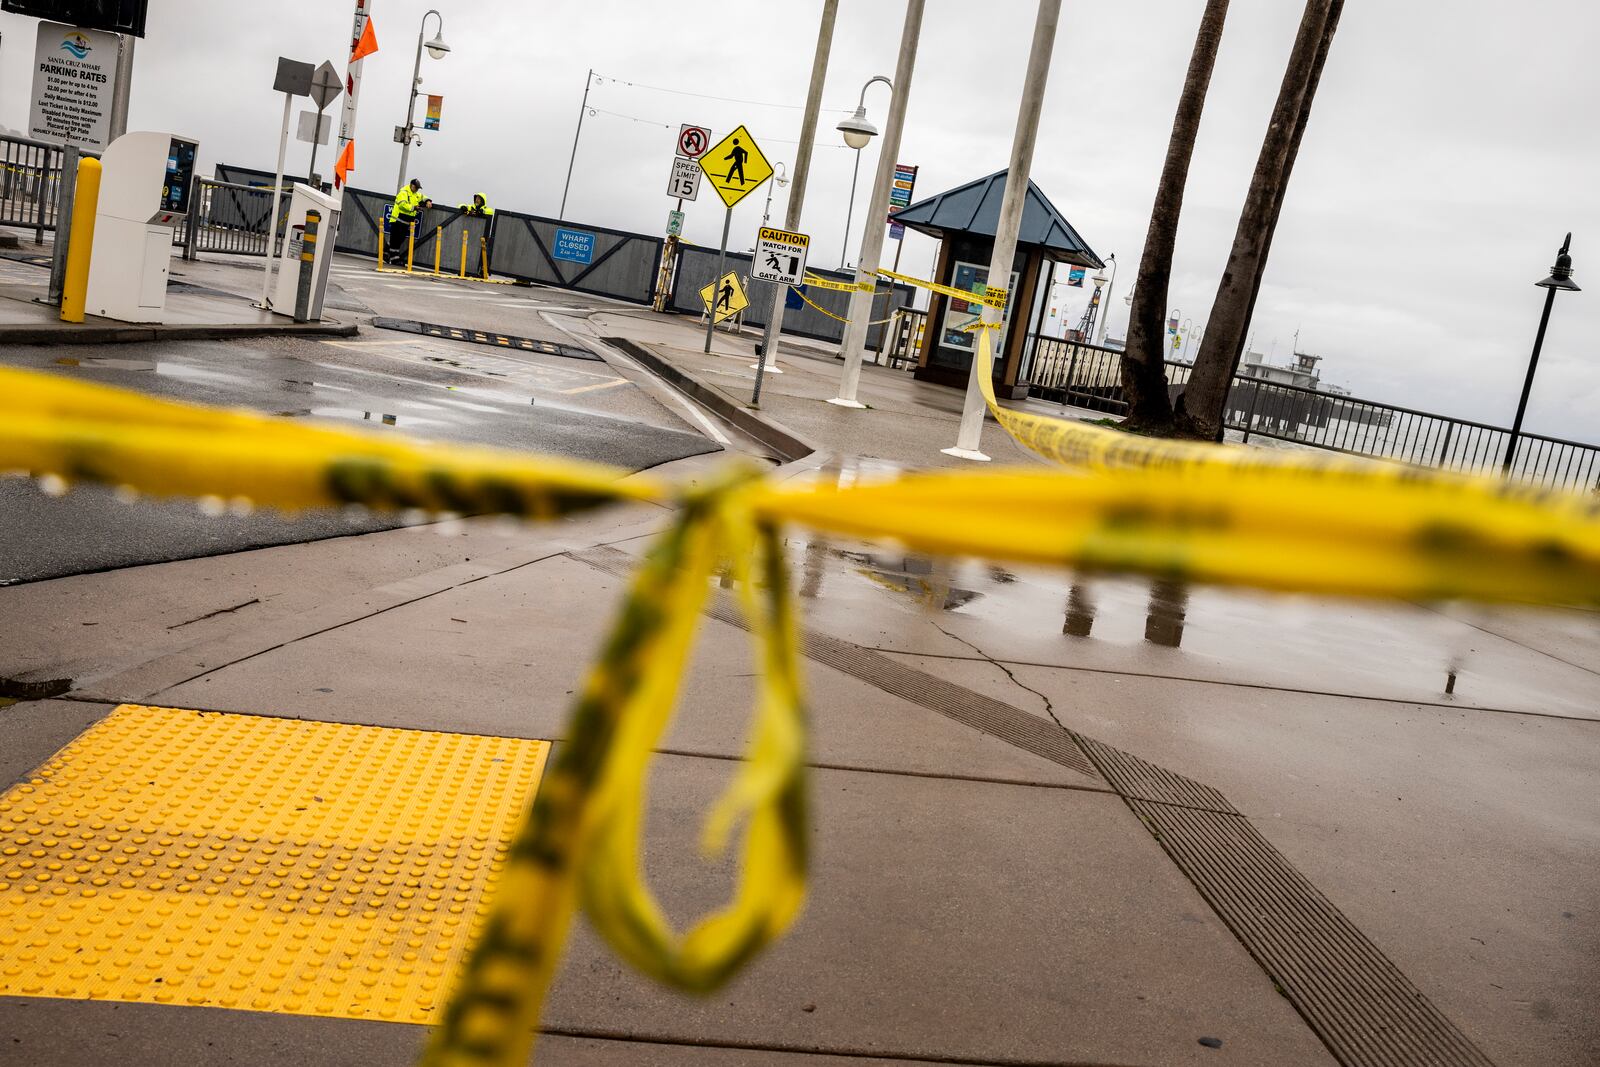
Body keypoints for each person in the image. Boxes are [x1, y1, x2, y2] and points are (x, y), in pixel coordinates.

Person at [388, 178, 430, 264]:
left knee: (400, 239)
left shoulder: (415, 194)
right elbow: (403, 205)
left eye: (418, 188)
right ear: (412, 185)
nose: (417, 189)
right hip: (397, 219)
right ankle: (393, 259)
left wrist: (428, 201)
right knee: (396, 239)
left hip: (405, 221)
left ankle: (386, 254)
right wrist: (414, 208)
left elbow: (422, 197)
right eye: (416, 187)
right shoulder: (404, 192)